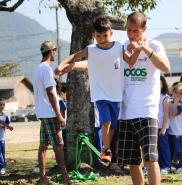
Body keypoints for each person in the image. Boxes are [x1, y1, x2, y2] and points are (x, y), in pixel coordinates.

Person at [55, 17, 137, 163]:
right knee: (105, 121)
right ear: (94, 35)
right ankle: (106, 149)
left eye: (105, 36)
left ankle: (107, 148)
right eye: (98, 36)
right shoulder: (91, 49)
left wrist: (137, 48)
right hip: (100, 93)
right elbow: (74, 56)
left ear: (111, 33)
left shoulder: (118, 46)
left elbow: (130, 62)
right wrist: (62, 65)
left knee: (113, 125)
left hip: (116, 94)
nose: (102, 39)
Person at [117, 12, 170, 185]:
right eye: (129, 31)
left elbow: (166, 68)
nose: (131, 35)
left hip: (147, 110)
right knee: (132, 162)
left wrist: (144, 49)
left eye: (136, 31)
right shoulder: (123, 46)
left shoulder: (156, 45)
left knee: (150, 159)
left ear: (144, 29)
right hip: (126, 111)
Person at [33, 40, 70, 185]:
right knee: (58, 145)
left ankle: (43, 179)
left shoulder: (37, 69)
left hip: (42, 113)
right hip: (50, 113)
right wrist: (59, 115)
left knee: (43, 146)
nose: (56, 53)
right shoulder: (47, 69)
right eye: (55, 50)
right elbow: (50, 93)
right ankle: (65, 179)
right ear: (52, 51)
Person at [168, 83, 182, 173]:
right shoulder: (168, 101)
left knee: (180, 151)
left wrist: (176, 101)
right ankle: (171, 165)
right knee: (171, 150)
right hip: (170, 131)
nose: (177, 94)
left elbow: (174, 113)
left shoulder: (180, 105)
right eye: (176, 92)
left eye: (180, 93)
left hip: (178, 132)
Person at [157, 76, 171, 174]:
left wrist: (163, 129)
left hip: (162, 127)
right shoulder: (151, 95)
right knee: (155, 148)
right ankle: (158, 166)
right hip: (153, 126)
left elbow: (166, 115)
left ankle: (166, 166)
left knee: (164, 147)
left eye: (160, 83)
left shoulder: (165, 97)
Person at [0, 98, 13, 175]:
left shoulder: (5, 116)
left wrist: (5, 127)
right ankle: (2, 167)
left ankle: (3, 168)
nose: (2, 106)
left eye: (3, 105)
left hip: (2, 138)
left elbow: (7, 126)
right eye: (0, 105)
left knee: (2, 153)